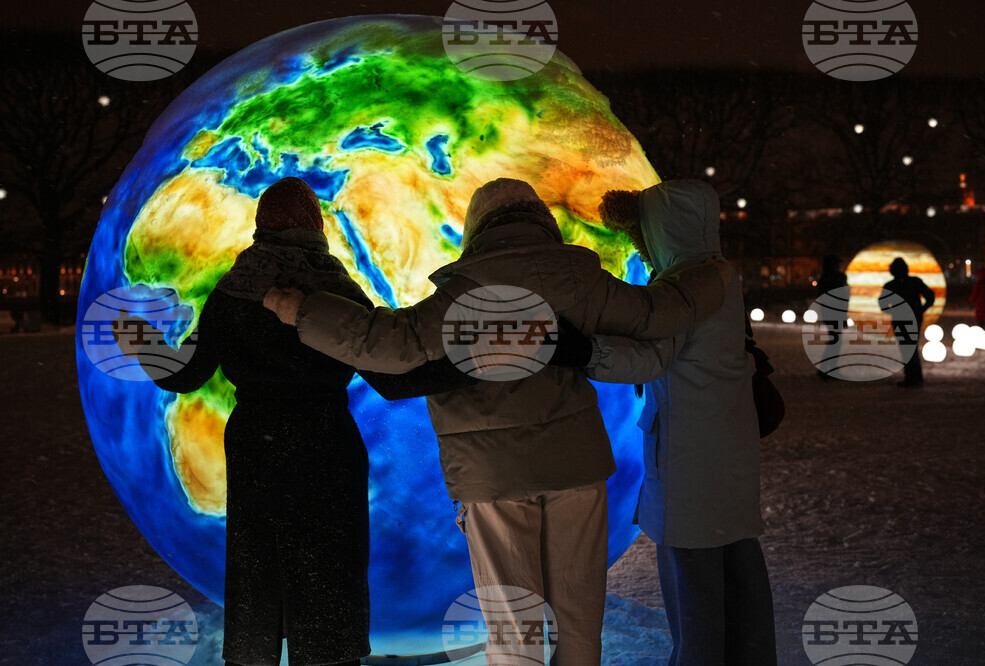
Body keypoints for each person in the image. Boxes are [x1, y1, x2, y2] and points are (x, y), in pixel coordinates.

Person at [264, 177, 733, 666]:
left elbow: (388, 343)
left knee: (516, 629)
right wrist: (712, 276)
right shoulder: (576, 276)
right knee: (577, 620)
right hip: (575, 466)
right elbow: (656, 312)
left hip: (493, 477)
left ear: (477, 229)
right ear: (541, 220)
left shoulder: (463, 290)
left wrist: (301, 309)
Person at [114, 177, 476, 666]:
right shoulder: (333, 290)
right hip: (325, 445)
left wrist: (144, 346)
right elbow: (391, 378)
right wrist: (472, 365)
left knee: (258, 567)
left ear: (261, 226)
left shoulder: (233, 291)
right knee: (331, 573)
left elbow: (186, 374)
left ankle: (254, 654)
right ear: (314, 225)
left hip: (256, 446)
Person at [591, 180, 776, 666]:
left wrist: (578, 352)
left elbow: (647, 359)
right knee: (737, 571)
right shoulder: (720, 275)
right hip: (725, 452)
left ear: (661, 230)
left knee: (693, 593)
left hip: (688, 463)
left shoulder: (680, 289)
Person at [880, 257, 935, 387]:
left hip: (901, 319)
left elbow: (883, 304)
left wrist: (893, 311)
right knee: (911, 347)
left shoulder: (891, 285)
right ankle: (915, 376)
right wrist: (922, 309)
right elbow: (930, 296)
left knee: (906, 348)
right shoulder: (914, 282)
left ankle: (912, 377)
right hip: (914, 318)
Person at [815, 254, 848, 380]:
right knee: (835, 341)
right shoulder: (837, 277)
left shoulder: (825, 278)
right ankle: (828, 369)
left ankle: (827, 369)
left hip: (831, 312)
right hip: (836, 312)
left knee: (834, 340)